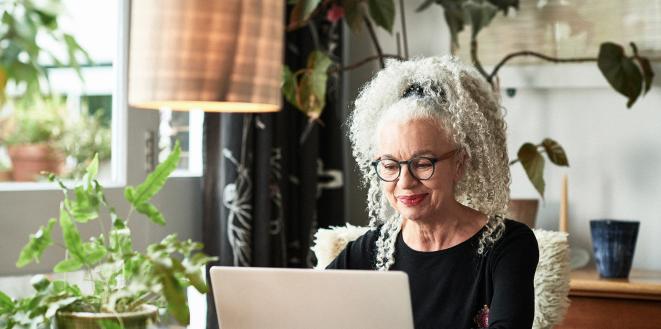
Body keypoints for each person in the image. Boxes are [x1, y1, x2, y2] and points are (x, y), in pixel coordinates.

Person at [327, 56, 539, 329]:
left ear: (459, 164)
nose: (405, 181)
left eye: (423, 163)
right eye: (390, 165)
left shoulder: (507, 246)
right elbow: (308, 310)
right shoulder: (370, 251)